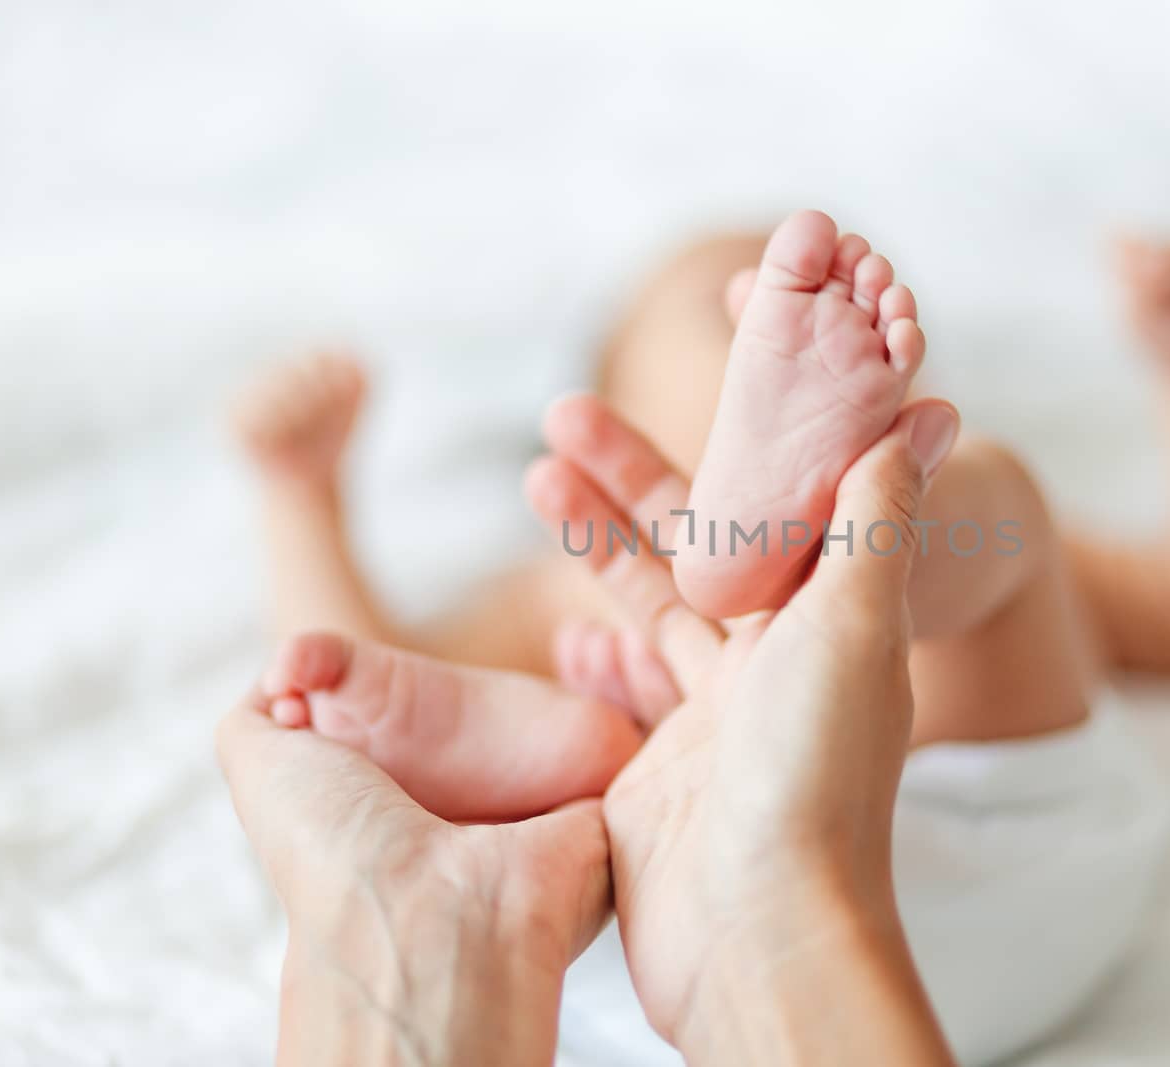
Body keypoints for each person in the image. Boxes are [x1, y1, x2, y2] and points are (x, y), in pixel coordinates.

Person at [232, 211, 1170, 1062]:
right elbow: (342, 689)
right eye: (727, 317)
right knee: (998, 511)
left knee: (989, 508)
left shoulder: (948, 515)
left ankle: (777, 597)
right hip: (734, 928)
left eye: (852, 329)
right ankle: (610, 744)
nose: (784, 318)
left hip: (950, 840)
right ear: (612, 402)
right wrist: (302, 496)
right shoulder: (565, 581)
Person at [220, 409, 960, 1065]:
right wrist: (303, 494)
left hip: (627, 962)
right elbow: (359, 695)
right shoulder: (570, 579)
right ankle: (593, 758)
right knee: (997, 546)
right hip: (724, 913)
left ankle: (589, 757)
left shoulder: (581, 587)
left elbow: (319, 693)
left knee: (991, 538)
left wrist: (298, 504)